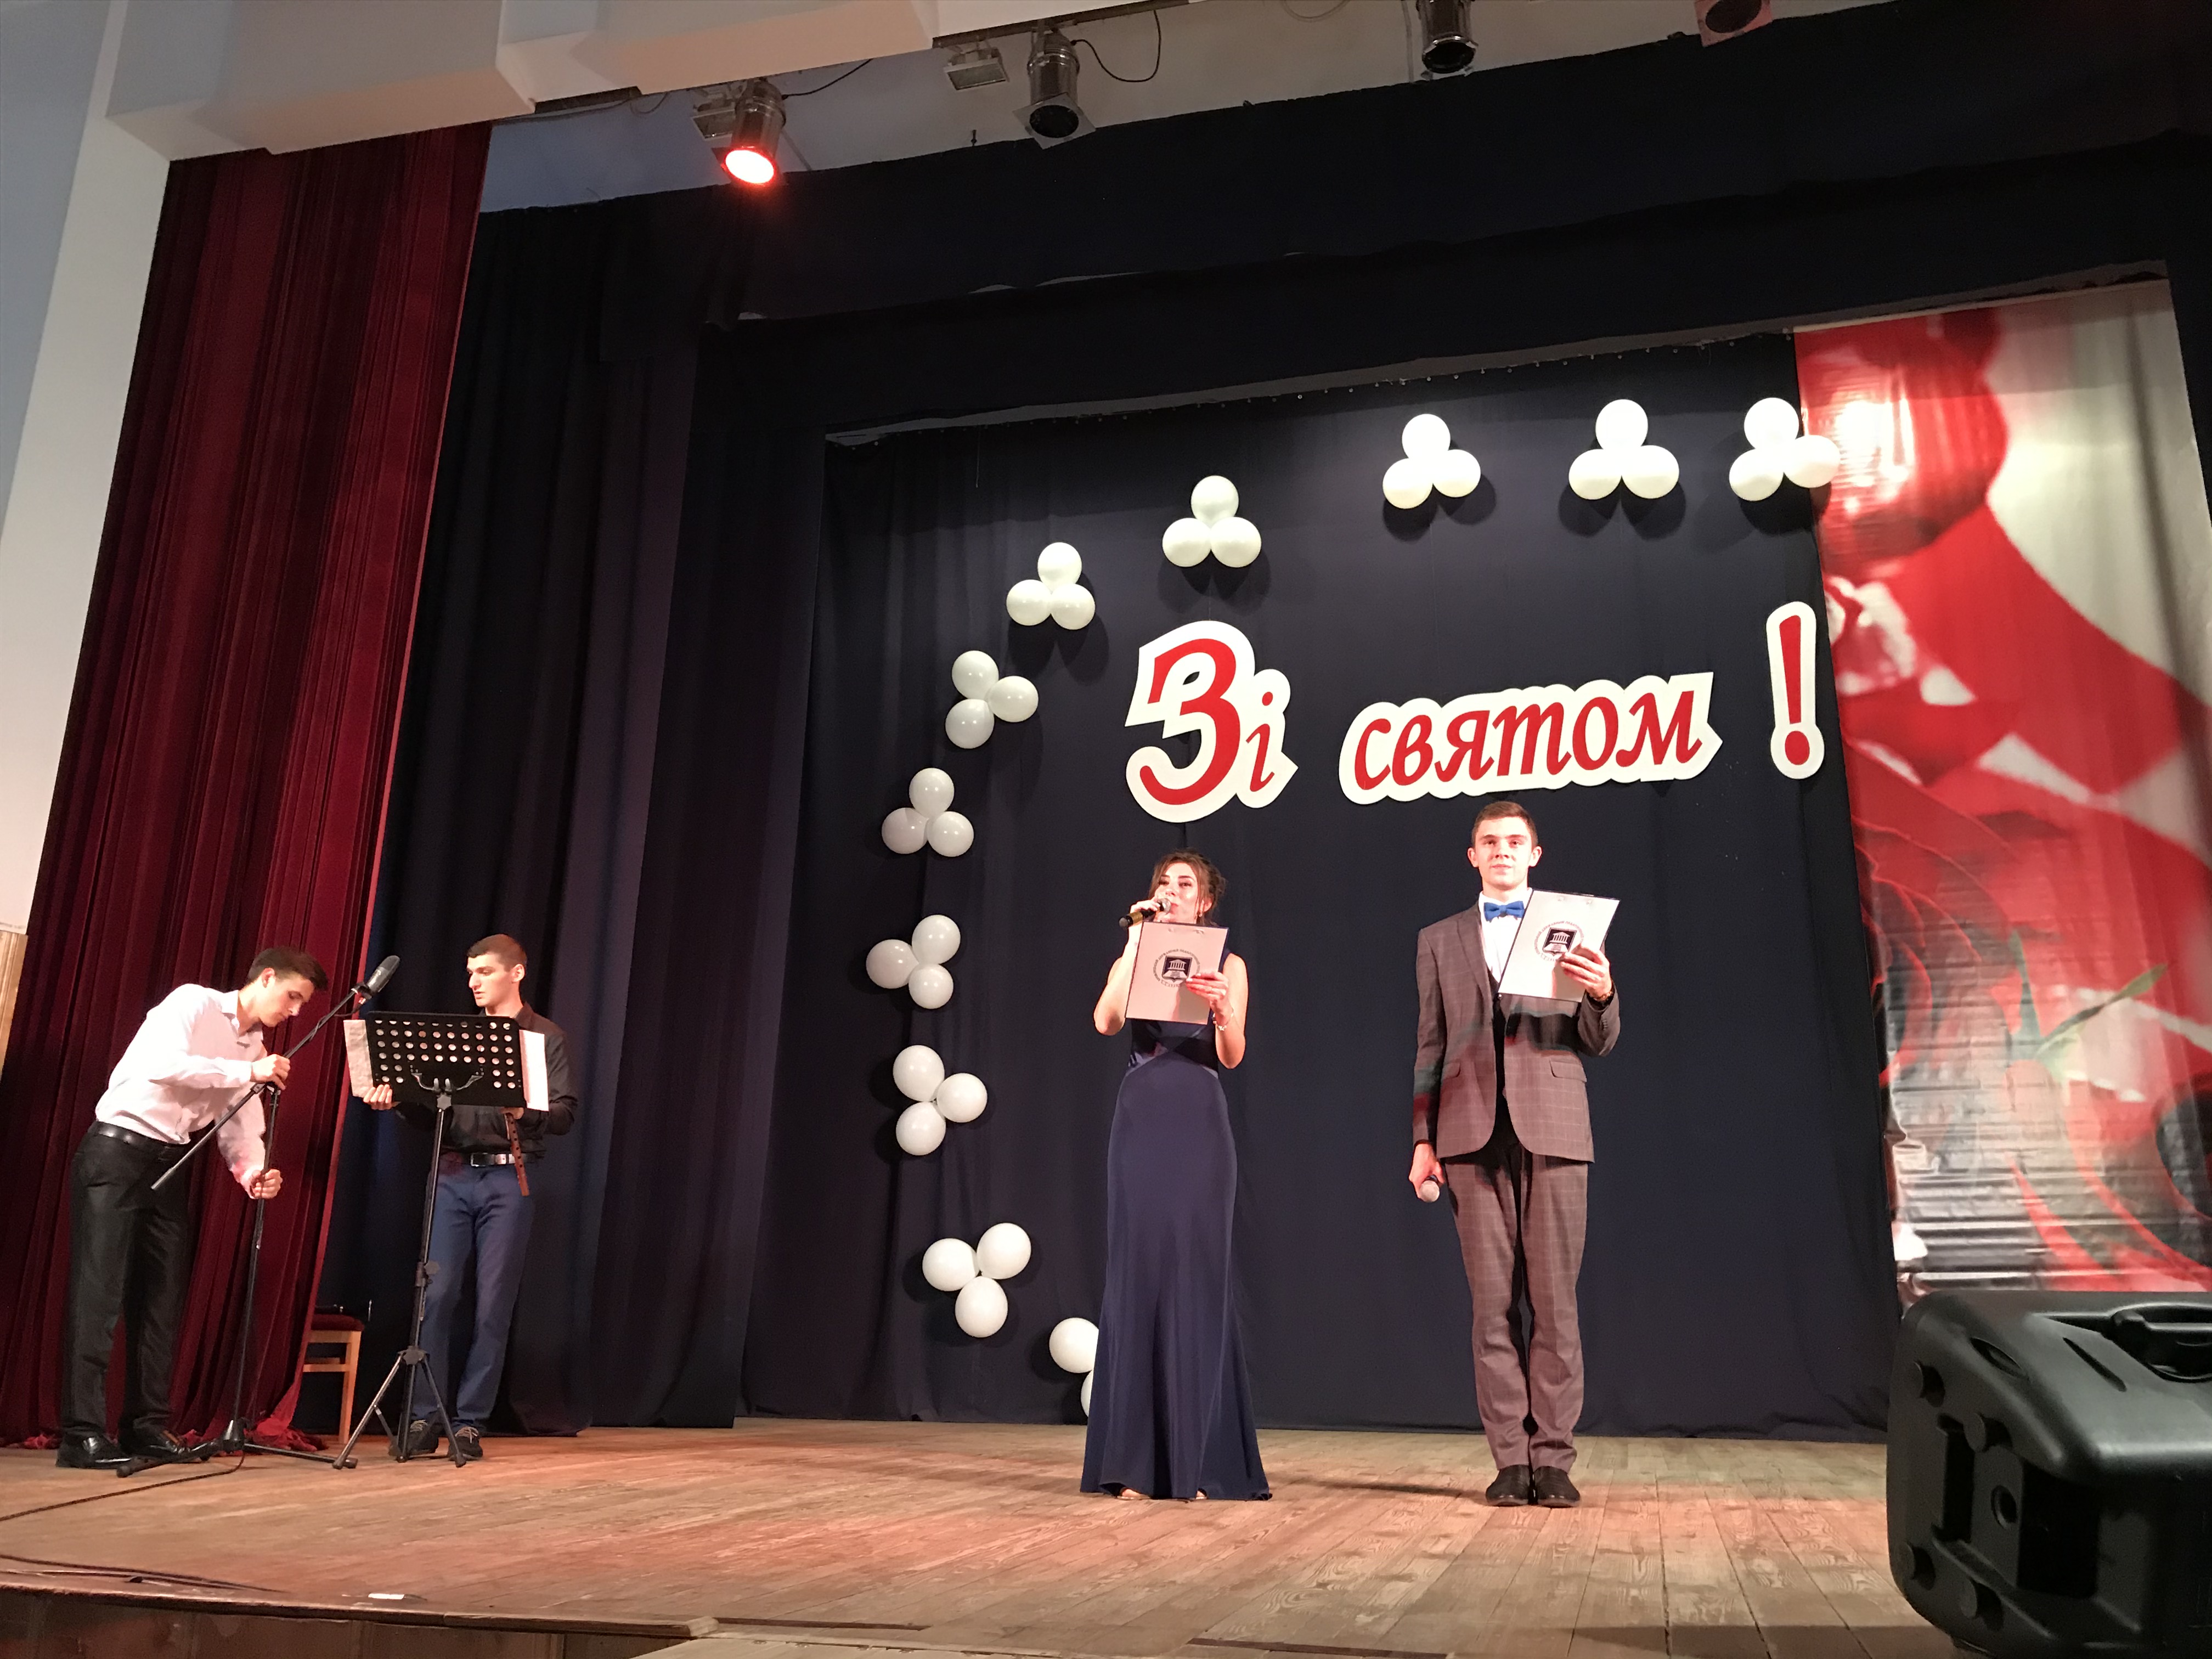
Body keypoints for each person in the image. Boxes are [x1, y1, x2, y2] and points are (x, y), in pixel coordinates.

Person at [1408, 800, 1618, 1508]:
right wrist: (1422, 1139)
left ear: (1535, 853)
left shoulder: (1573, 925)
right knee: (1491, 1307)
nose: (1502, 850)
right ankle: (1509, 1458)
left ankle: (1552, 1458)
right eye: (1489, 841)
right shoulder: (1438, 939)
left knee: (1555, 1304)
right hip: (1469, 1133)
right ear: (1473, 856)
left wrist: (1603, 993)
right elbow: (1429, 1047)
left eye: (1514, 841)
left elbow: (1598, 1039)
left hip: (1553, 1127)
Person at [57, 947, 323, 1469]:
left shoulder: (254, 1049)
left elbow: (239, 1127)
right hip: (118, 1150)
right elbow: (161, 1065)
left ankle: (146, 1427)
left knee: (161, 1299)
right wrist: (244, 1069)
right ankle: (81, 1434)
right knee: (99, 1291)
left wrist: (253, 1172)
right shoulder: (194, 1003)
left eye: (302, 1004)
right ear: (266, 978)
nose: (295, 1011)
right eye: (292, 996)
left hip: (170, 1164)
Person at [1081, 850, 1269, 1502]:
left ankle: (1200, 1458)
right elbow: (1105, 1020)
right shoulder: (1134, 949)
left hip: (1199, 1115)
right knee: (1140, 1273)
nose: (1173, 890)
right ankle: (1134, 1463)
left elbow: (1232, 1056)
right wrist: (1136, 942)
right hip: (1142, 1115)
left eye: (1185, 884)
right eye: (1165, 882)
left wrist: (1222, 1011)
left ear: (1205, 901)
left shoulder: (1229, 964)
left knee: (1195, 1273)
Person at [362, 933, 575, 1460]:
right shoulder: (459, 1037)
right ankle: (424, 1416)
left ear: (516, 973)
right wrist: (398, 1102)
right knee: (436, 1295)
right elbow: (433, 1114)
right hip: (454, 1173)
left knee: (492, 1305)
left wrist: (524, 1109)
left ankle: (471, 1421)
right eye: (471, 973)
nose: (474, 982)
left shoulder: (544, 1037)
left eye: (484, 972)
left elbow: (565, 1114)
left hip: (508, 1178)